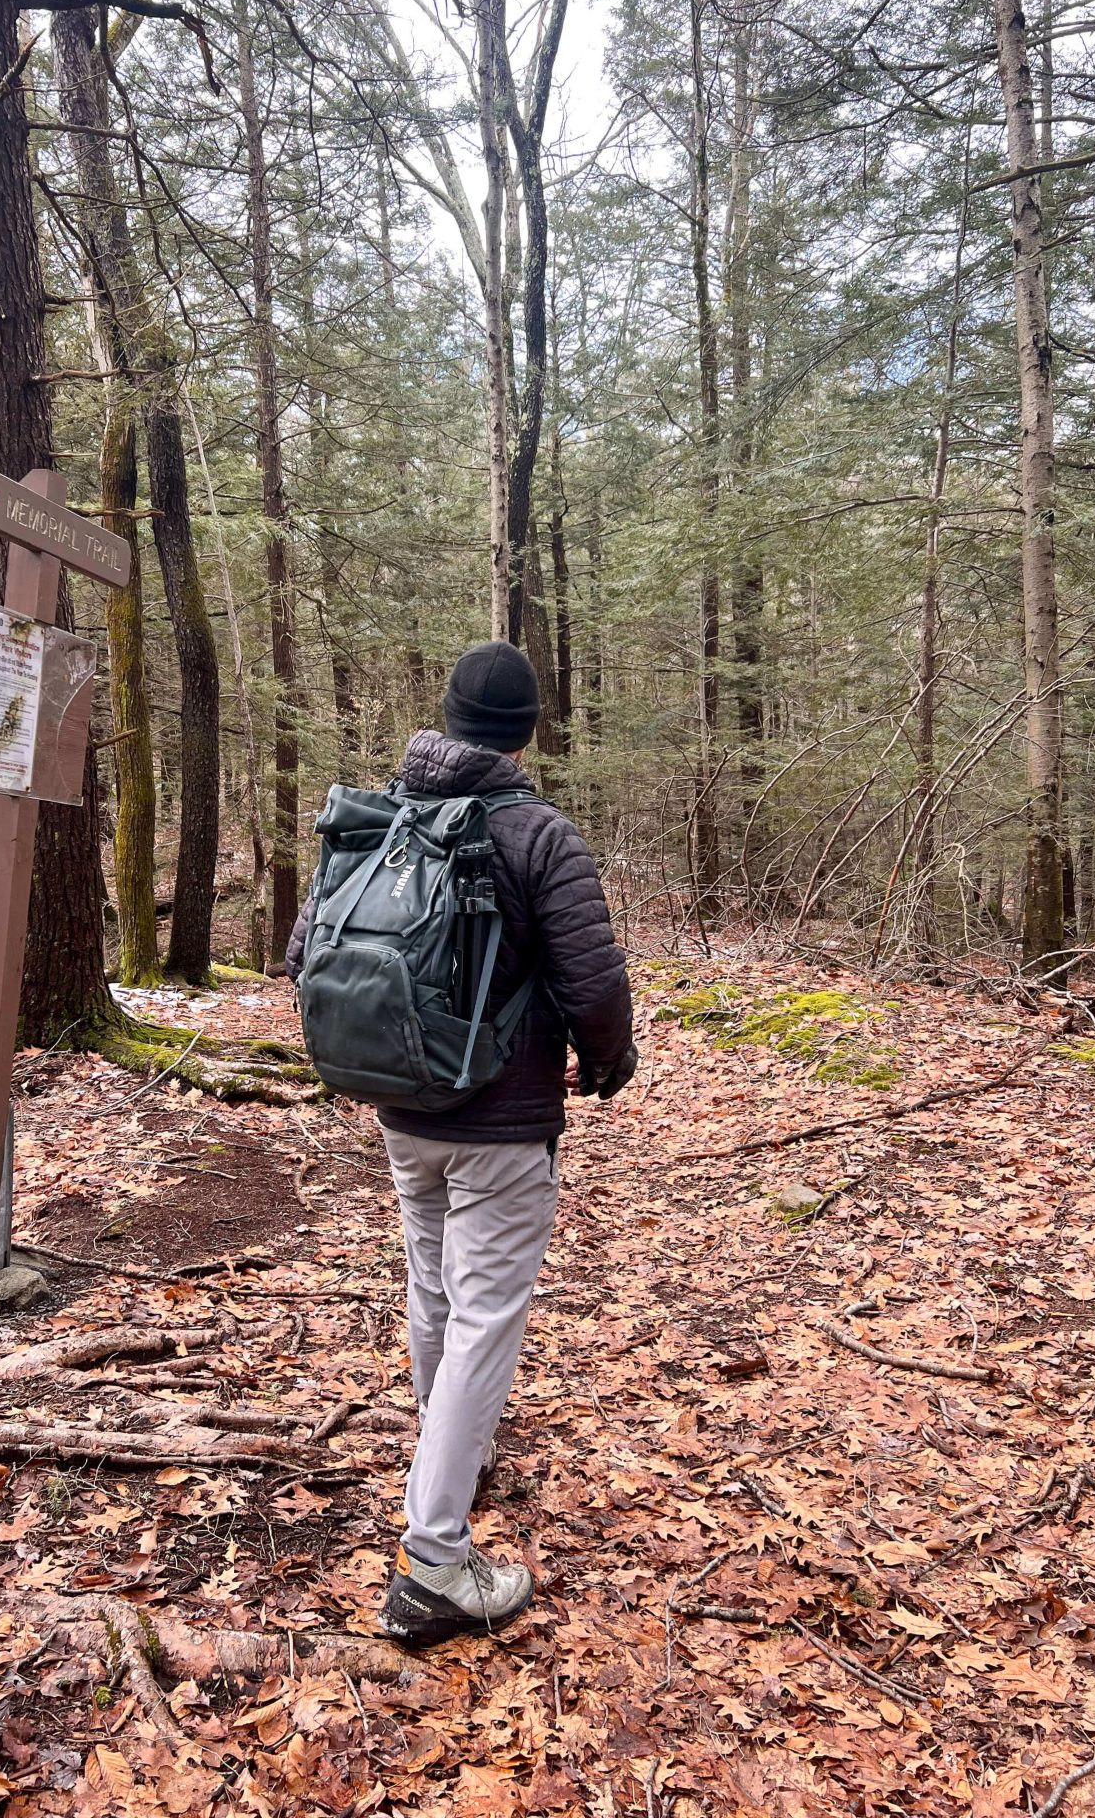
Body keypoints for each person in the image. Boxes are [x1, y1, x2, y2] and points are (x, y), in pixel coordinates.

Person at [285, 642, 636, 1647]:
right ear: (525, 731)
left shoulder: (376, 820)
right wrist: (606, 1066)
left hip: (403, 1111)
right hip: (502, 1127)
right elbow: (595, 983)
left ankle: (458, 1448)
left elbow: (305, 955)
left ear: (444, 718)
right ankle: (435, 1560)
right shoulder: (537, 835)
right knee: (484, 1315)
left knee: (435, 1288)